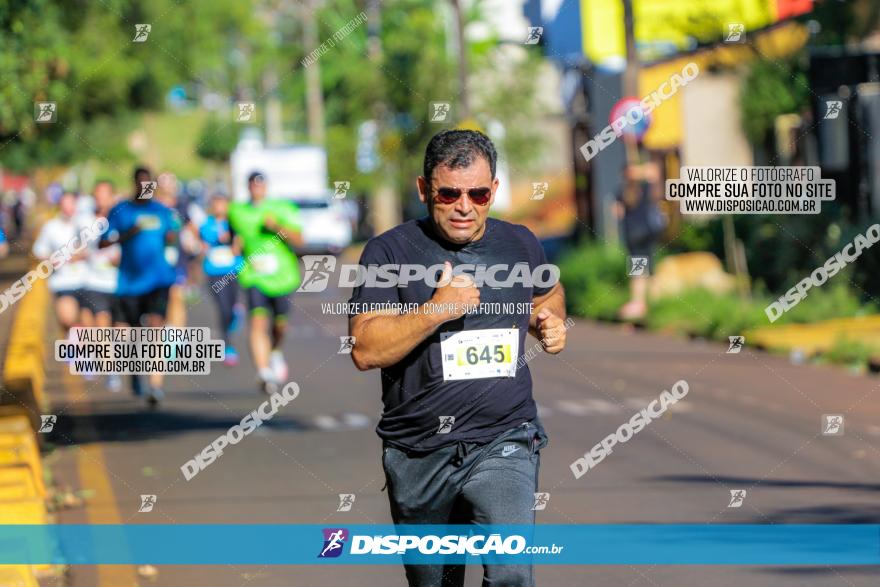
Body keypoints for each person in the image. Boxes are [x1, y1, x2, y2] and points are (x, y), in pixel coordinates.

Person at [347, 129, 567, 587]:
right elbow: (365, 349)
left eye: (478, 193)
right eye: (449, 193)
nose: (464, 206)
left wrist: (548, 321)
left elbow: (547, 293)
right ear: (424, 189)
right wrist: (436, 309)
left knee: (511, 576)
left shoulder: (520, 243)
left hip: (504, 438)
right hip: (419, 450)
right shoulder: (389, 252)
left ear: (494, 192)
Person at [100, 167, 178, 406]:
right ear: (134, 183)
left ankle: (155, 386)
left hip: (159, 279)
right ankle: (135, 374)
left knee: (156, 329)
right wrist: (127, 235)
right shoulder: (120, 211)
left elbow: (173, 236)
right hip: (130, 283)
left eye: (149, 185)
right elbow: (102, 243)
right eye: (141, 184)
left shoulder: (163, 212)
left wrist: (171, 238)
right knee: (131, 334)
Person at [228, 172, 303, 394]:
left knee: (280, 325)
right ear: (248, 187)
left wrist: (277, 227)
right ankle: (263, 371)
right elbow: (232, 234)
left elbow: (300, 240)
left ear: (266, 187)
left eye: (260, 185)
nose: (256, 189)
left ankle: (275, 351)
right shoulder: (237, 211)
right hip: (254, 275)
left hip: (283, 276)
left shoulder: (283, 208)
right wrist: (235, 243)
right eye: (253, 185)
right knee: (257, 322)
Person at [80, 180, 122, 392]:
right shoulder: (85, 221)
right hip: (95, 282)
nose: (100, 199)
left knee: (121, 329)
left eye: (105, 195)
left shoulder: (122, 218)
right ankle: (111, 370)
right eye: (97, 195)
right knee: (102, 324)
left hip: (121, 282)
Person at [32, 191, 91, 340]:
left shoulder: (87, 225)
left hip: (89, 281)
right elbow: (38, 251)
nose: (68, 208)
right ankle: (74, 357)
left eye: (71, 204)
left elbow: (99, 249)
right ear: (59, 206)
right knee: (67, 320)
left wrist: (83, 254)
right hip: (63, 282)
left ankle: (89, 358)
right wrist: (51, 259)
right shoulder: (51, 227)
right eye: (65, 204)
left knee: (90, 325)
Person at [614, 158, 666, 321]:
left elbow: (618, 213)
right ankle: (656, 301)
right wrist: (645, 171)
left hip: (633, 235)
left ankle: (638, 303)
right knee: (650, 266)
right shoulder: (647, 187)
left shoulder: (622, 192)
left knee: (638, 270)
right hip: (649, 232)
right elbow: (657, 185)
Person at [199, 194, 244, 366]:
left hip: (233, 270)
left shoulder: (234, 224)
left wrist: (234, 243)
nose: (219, 208)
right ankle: (228, 346)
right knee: (222, 308)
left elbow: (239, 246)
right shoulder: (206, 225)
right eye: (216, 204)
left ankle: (235, 313)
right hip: (214, 272)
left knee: (231, 306)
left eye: (222, 204)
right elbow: (202, 245)